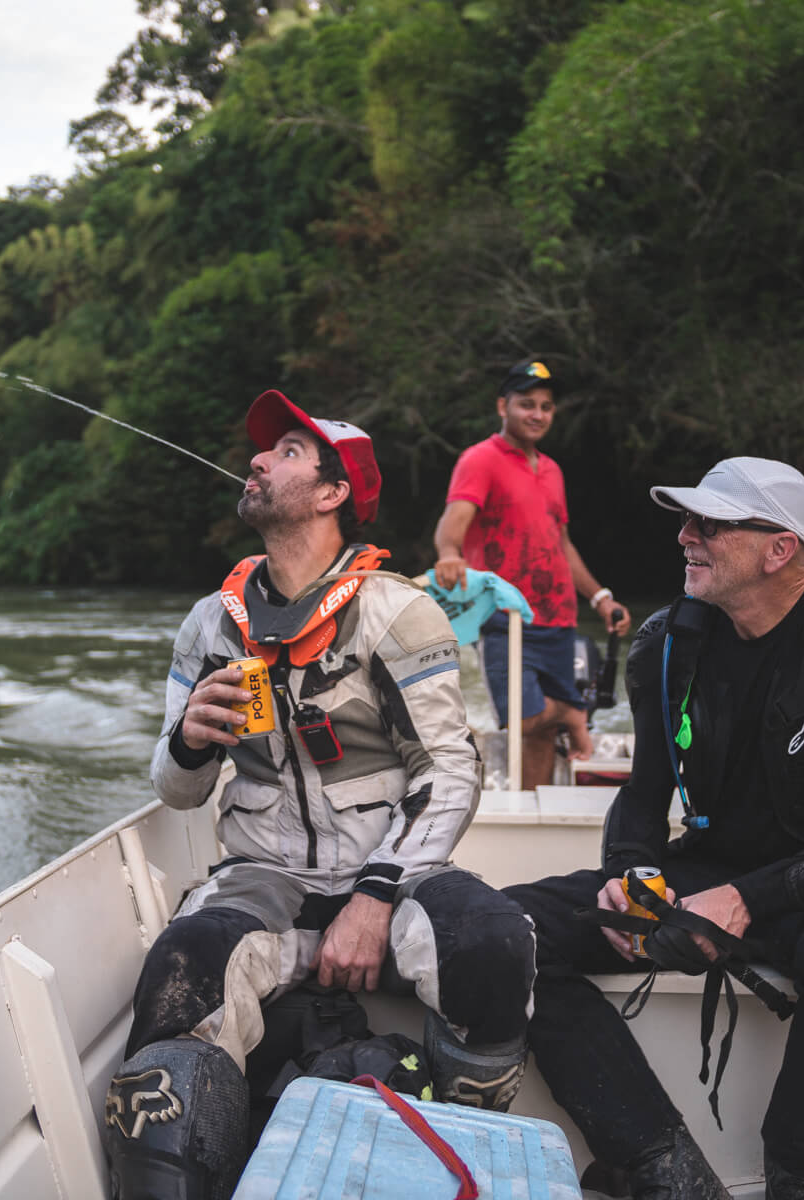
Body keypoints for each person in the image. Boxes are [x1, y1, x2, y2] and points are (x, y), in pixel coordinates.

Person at [103, 390, 536, 1200]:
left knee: (494, 943)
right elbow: (176, 791)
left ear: (335, 493)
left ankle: (448, 1151)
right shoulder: (210, 624)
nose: (260, 460)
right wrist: (191, 740)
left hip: (392, 875)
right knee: (180, 966)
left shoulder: (399, 612)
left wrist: (375, 895)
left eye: (289, 453)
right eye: (264, 451)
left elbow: (451, 772)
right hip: (263, 877)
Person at [505, 457, 804, 1200]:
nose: (685, 537)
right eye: (686, 520)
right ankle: (662, 1166)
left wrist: (748, 899)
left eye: (710, 524)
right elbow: (643, 794)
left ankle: (802, 1184)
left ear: (780, 549)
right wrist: (630, 872)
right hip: (707, 873)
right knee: (512, 933)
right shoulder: (668, 642)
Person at [432, 358, 632, 790]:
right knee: (521, 720)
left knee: (542, 734)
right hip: (505, 615)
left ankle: (535, 804)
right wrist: (449, 555)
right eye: (527, 404)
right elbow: (452, 526)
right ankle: (569, 712)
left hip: (560, 616)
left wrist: (600, 598)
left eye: (545, 406)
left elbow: (562, 545)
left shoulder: (554, 470)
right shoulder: (479, 460)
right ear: (503, 406)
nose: (537, 414)